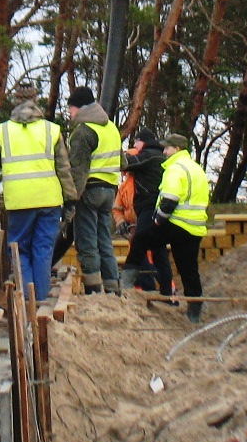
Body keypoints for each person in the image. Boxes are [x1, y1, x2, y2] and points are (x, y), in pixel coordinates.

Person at [0, 82, 78, 304]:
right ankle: (41, 300)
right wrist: (71, 198)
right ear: (36, 102)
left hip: (20, 202)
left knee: (19, 250)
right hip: (49, 200)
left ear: (15, 102)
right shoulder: (51, 130)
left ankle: (27, 300)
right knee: (44, 249)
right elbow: (64, 169)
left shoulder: (3, 132)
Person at [124, 132, 210, 323]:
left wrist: (158, 220)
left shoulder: (175, 168)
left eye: (167, 148)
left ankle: (126, 284)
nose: (164, 151)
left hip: (176, 223)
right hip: (194, 227)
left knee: (141, 239)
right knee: (188, 268)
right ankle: (195, 310)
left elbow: (170, 200)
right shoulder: (196, 169)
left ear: (177, 149)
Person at [64, 86, 123, 295]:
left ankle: (93, 289)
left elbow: (78, 171)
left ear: (79, 108)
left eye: (70, 109)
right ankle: (112, 287)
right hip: (110, 191)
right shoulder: (112, 129)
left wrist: (70, 200)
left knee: (87, 241)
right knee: (104, 239)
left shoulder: (83, 131)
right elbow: (122, 160)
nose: (69, 114)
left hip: (90, 191)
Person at [120, 128, 170, 293]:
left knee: (139, 242)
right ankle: (166, 292)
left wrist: (123, 152)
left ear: (143, 142)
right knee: (158, 250)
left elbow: (126, 163)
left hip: (149, 207)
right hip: (158, 208)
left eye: (136, 142)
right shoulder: (159, 156)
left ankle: (128, 282)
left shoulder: (148, 155)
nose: (135, 145)